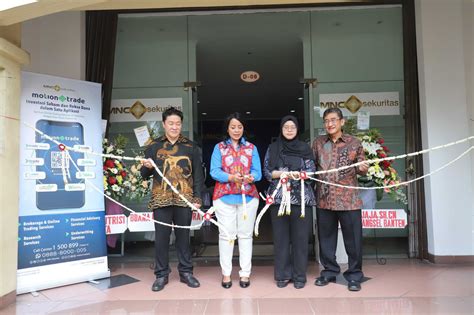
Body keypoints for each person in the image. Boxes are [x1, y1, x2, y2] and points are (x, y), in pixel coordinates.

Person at [141, 107, 204, 292]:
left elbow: (199, 175)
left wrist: (197, 197)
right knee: (161, 238)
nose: (174, 127)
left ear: (181, 125)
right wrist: (146, 166)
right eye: (171, 123)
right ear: (164, 124)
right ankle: (161, 274)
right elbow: (144, 175)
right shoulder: (153, 147)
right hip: (161, 198)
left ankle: (186, 272)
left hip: (184, 198)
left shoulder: (191, 147)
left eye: (177, 123)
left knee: (184, 237)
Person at [312, 107, 369, 292]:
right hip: (324, 199)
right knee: (326, 239)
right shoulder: (318, 143)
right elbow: (312, 167)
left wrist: (363, 167)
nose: (330, 124)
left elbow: (362, 165)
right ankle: (329, 271)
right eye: (326, 120)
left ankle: (354, 275)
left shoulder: (354, 142)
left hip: (349, 200)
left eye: (333, 120)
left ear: (342, 122)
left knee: (353, 240)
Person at [263, 115, 316, 289]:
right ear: (281, 129)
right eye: (286, 127)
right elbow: (267, 172)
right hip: (278, 200)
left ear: (297, 129)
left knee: (301, 239)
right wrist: (288, 173)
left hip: (301, 200)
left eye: (292, 127)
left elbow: (310, 171)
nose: (289, 130)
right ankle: (282, 275)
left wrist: (286, 173)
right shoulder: (273, 148)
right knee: (281, 239)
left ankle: (300, 276)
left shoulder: (305, 148)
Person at [210, 112, 262, 289]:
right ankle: (226, 274)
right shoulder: (219, 148)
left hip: (248, 198)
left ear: (243, 128)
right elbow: (214, 171)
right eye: (233, 126)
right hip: (224, 198)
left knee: (245, 236)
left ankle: (245, 273)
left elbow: (258, 172)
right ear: (227, 128)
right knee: (226, 236)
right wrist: (231, 177)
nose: (236, 130)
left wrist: (250, 177)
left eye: (239, 126)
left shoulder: (252, 148)